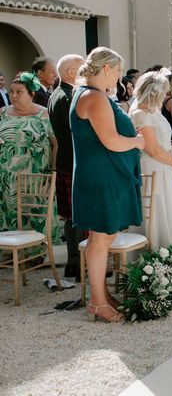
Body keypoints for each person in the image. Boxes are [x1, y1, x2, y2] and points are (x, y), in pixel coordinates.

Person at [70, 47, 145, 323]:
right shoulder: (93, 97)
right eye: (117, 71)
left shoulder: (92, 95)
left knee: (103, 236)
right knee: (100, 239)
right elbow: (111, 140)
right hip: (101, 176)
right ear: (105, 70)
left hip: (100, 174)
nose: (119, 76)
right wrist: (137, 142)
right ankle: (98, 303)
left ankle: (100, 293)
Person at [0, 72, 59, 243]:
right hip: (7, 177)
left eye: (19, 92)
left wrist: (53, 171)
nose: (14, 96)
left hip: (36, 176)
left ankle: (39, 250)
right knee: (9, 212)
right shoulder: (2, 113)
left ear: (31, 94)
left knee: (36, 214)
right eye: (12, 92)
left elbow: (56, 143)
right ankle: (13, 252)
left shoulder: (44, 114)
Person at [129, 72, 172, 250]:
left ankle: (168, 254)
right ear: (154, 92)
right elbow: (152, 149)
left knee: (165, 206)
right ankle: (153, 252)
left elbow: (163, 143)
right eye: (164, 93)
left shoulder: (153, 110)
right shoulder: (139, 114)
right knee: (155, 207)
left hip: (164, 164)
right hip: (151, 165)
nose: (166, 96)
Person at [48, 54, 85, 279]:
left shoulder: (57, 94)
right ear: (72, 72)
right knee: (79, 215)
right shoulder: (69, 96)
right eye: (82, 68)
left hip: (65, 160)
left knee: (71, 217)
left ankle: (74, 262)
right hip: (74, 162)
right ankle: (81, 263)